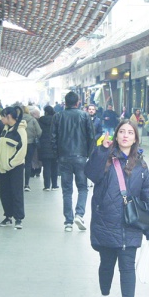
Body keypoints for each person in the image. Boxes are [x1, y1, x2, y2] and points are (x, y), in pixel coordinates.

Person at [84, 119, 149, 297]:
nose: (125, 135)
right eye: (122, 132)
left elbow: (146, 194)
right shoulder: (106, 158)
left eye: (130, 133)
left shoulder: (141, 164)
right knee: (106, 264)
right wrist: (101, 151)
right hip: (106, 220)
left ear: (135, 138)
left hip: (131, 222)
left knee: (127, 266)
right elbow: (91, 174)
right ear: (116, 136)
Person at [51, 91, 95, 232]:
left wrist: (57, 155)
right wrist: (88, 154)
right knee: (83, 188)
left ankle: (68, 221)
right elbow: (91, 137)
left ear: (65, 102)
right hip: (81, 157)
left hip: (64, 157)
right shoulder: (85, 115)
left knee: (67, 190)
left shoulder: (58, 116)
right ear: (78, 102)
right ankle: (79, 214)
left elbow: (53, 138)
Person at [0, 106, 28, 228]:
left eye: (2, 116)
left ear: (8, 116)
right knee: (5, 192)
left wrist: (11, 163)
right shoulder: (5, 129)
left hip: (15, 167)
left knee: (16, 192)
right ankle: (8, 216)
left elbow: (22, 150)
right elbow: (0, 147)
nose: (1, 118)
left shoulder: (20, 130)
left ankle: (18, 218)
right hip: (3, 167)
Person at [21, 105, 42, 192]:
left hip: (19, 144)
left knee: (18, 163)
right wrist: (34, 137)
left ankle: (18, 183)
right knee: (28, 163)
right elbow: (39, 132)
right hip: (30, 144)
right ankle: (26, 184)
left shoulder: (16, 120)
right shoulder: (33, 120)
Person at [38, 105, 59, 190]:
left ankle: (46, 186)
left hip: (44, 146)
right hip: (55, 146)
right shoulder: (56, 119)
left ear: (45, 112)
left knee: (46, 167)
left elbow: (38, 132)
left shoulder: (41, 120)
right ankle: (54, 185)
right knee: (55, 166)